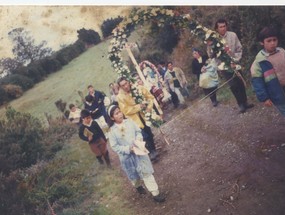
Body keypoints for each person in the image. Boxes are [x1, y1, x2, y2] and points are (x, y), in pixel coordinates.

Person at [107, 105, 165, 203]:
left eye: (119, 111)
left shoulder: (129, 121)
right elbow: (115, 146)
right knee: (134, 175)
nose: (120, 114)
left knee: (146, 173)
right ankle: (138, 186)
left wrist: (138, 139)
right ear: (112, 118)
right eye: (116, 113)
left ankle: (156, 193)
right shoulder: (112, 131)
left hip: (139, 152)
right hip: (128, 158)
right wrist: (128, 149)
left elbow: (138, 131)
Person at [211, 18, 254, 113]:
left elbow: (239, 49)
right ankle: (241, 104)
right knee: (233, 85)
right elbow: (212, 56)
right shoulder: (213, 39)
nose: (223, 28)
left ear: (226, 26)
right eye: (220, 27)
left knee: (241, 83)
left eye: (224, 26)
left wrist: (236, 60)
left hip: (235, 63)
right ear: (217, 28)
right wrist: (220, 65)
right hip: (224, 67)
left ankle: (245, 102)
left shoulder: (233, 35)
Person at [116, 76, 159, 161]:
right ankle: (150, 153)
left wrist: (149, 107)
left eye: (126, 84)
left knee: (149, 133)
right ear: (120, 87)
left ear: (128, 82)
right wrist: (138, 107)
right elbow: (125, 111)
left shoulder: (137, 88)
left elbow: (149, 97)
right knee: (143, 136)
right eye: (122, 85)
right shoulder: (120, 97)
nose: (125, 86)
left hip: (144, 115)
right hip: (134, 120)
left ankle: (153, 150)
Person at [250, 25, 285, 116]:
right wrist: (264, 98)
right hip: (276, 93)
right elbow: (257, 81)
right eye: (269, 41)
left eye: (274, 40)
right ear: (262, 43)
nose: (272, 43)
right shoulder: (260, 61)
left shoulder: (282, 52)